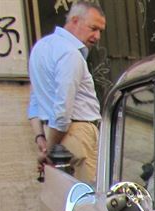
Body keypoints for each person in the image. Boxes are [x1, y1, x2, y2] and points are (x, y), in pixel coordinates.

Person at [27, 1, 105, 184]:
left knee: (64, 202)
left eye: (100, 30)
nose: (97, 36)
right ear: (75, 21)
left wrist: (41, 138)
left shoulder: (40, 48)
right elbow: (62, 111)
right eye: (93, 28)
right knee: (88, 203)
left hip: (51, 133)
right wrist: (50, 152)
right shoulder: (70, 53)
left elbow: (35, 100)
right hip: (76, 134)